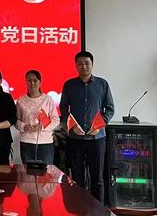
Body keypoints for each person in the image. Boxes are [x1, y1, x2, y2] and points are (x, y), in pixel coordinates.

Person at [60, 51, 114, 202]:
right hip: (75, 138)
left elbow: (110, 109)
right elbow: (63, 108)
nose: (83, 66)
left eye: (87, 63)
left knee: (97, 178)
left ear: (92, 64)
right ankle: (79, 207)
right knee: (77, 177)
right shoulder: (69, 85)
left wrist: (99, 125)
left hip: (97, 138)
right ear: (75, 65)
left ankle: (98, 208)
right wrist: (72, 126)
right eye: (80, 64)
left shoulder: (102, 84)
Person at [15, 69, 59, 165]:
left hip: (45, 143)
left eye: (35, 80)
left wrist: (42, 127)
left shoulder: (48, 99)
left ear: (40, 82)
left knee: (46, 172)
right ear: (26, 82)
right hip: (26, 142)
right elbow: (16, 121)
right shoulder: (21, 100)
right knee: (28, 171)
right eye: (29, 80)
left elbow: (56, 120)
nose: (32, 83)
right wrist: (24, 126)